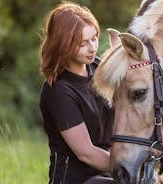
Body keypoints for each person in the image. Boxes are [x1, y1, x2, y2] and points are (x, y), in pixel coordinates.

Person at [39, 1, 115, 183]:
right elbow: (86, 153)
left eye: (94, 38)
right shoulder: (58, 91)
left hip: (108, 172)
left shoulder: (97, 68)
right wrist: (134, 170)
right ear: (63, 44)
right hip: (76, 178)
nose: (92, 47)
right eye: (83, 43)